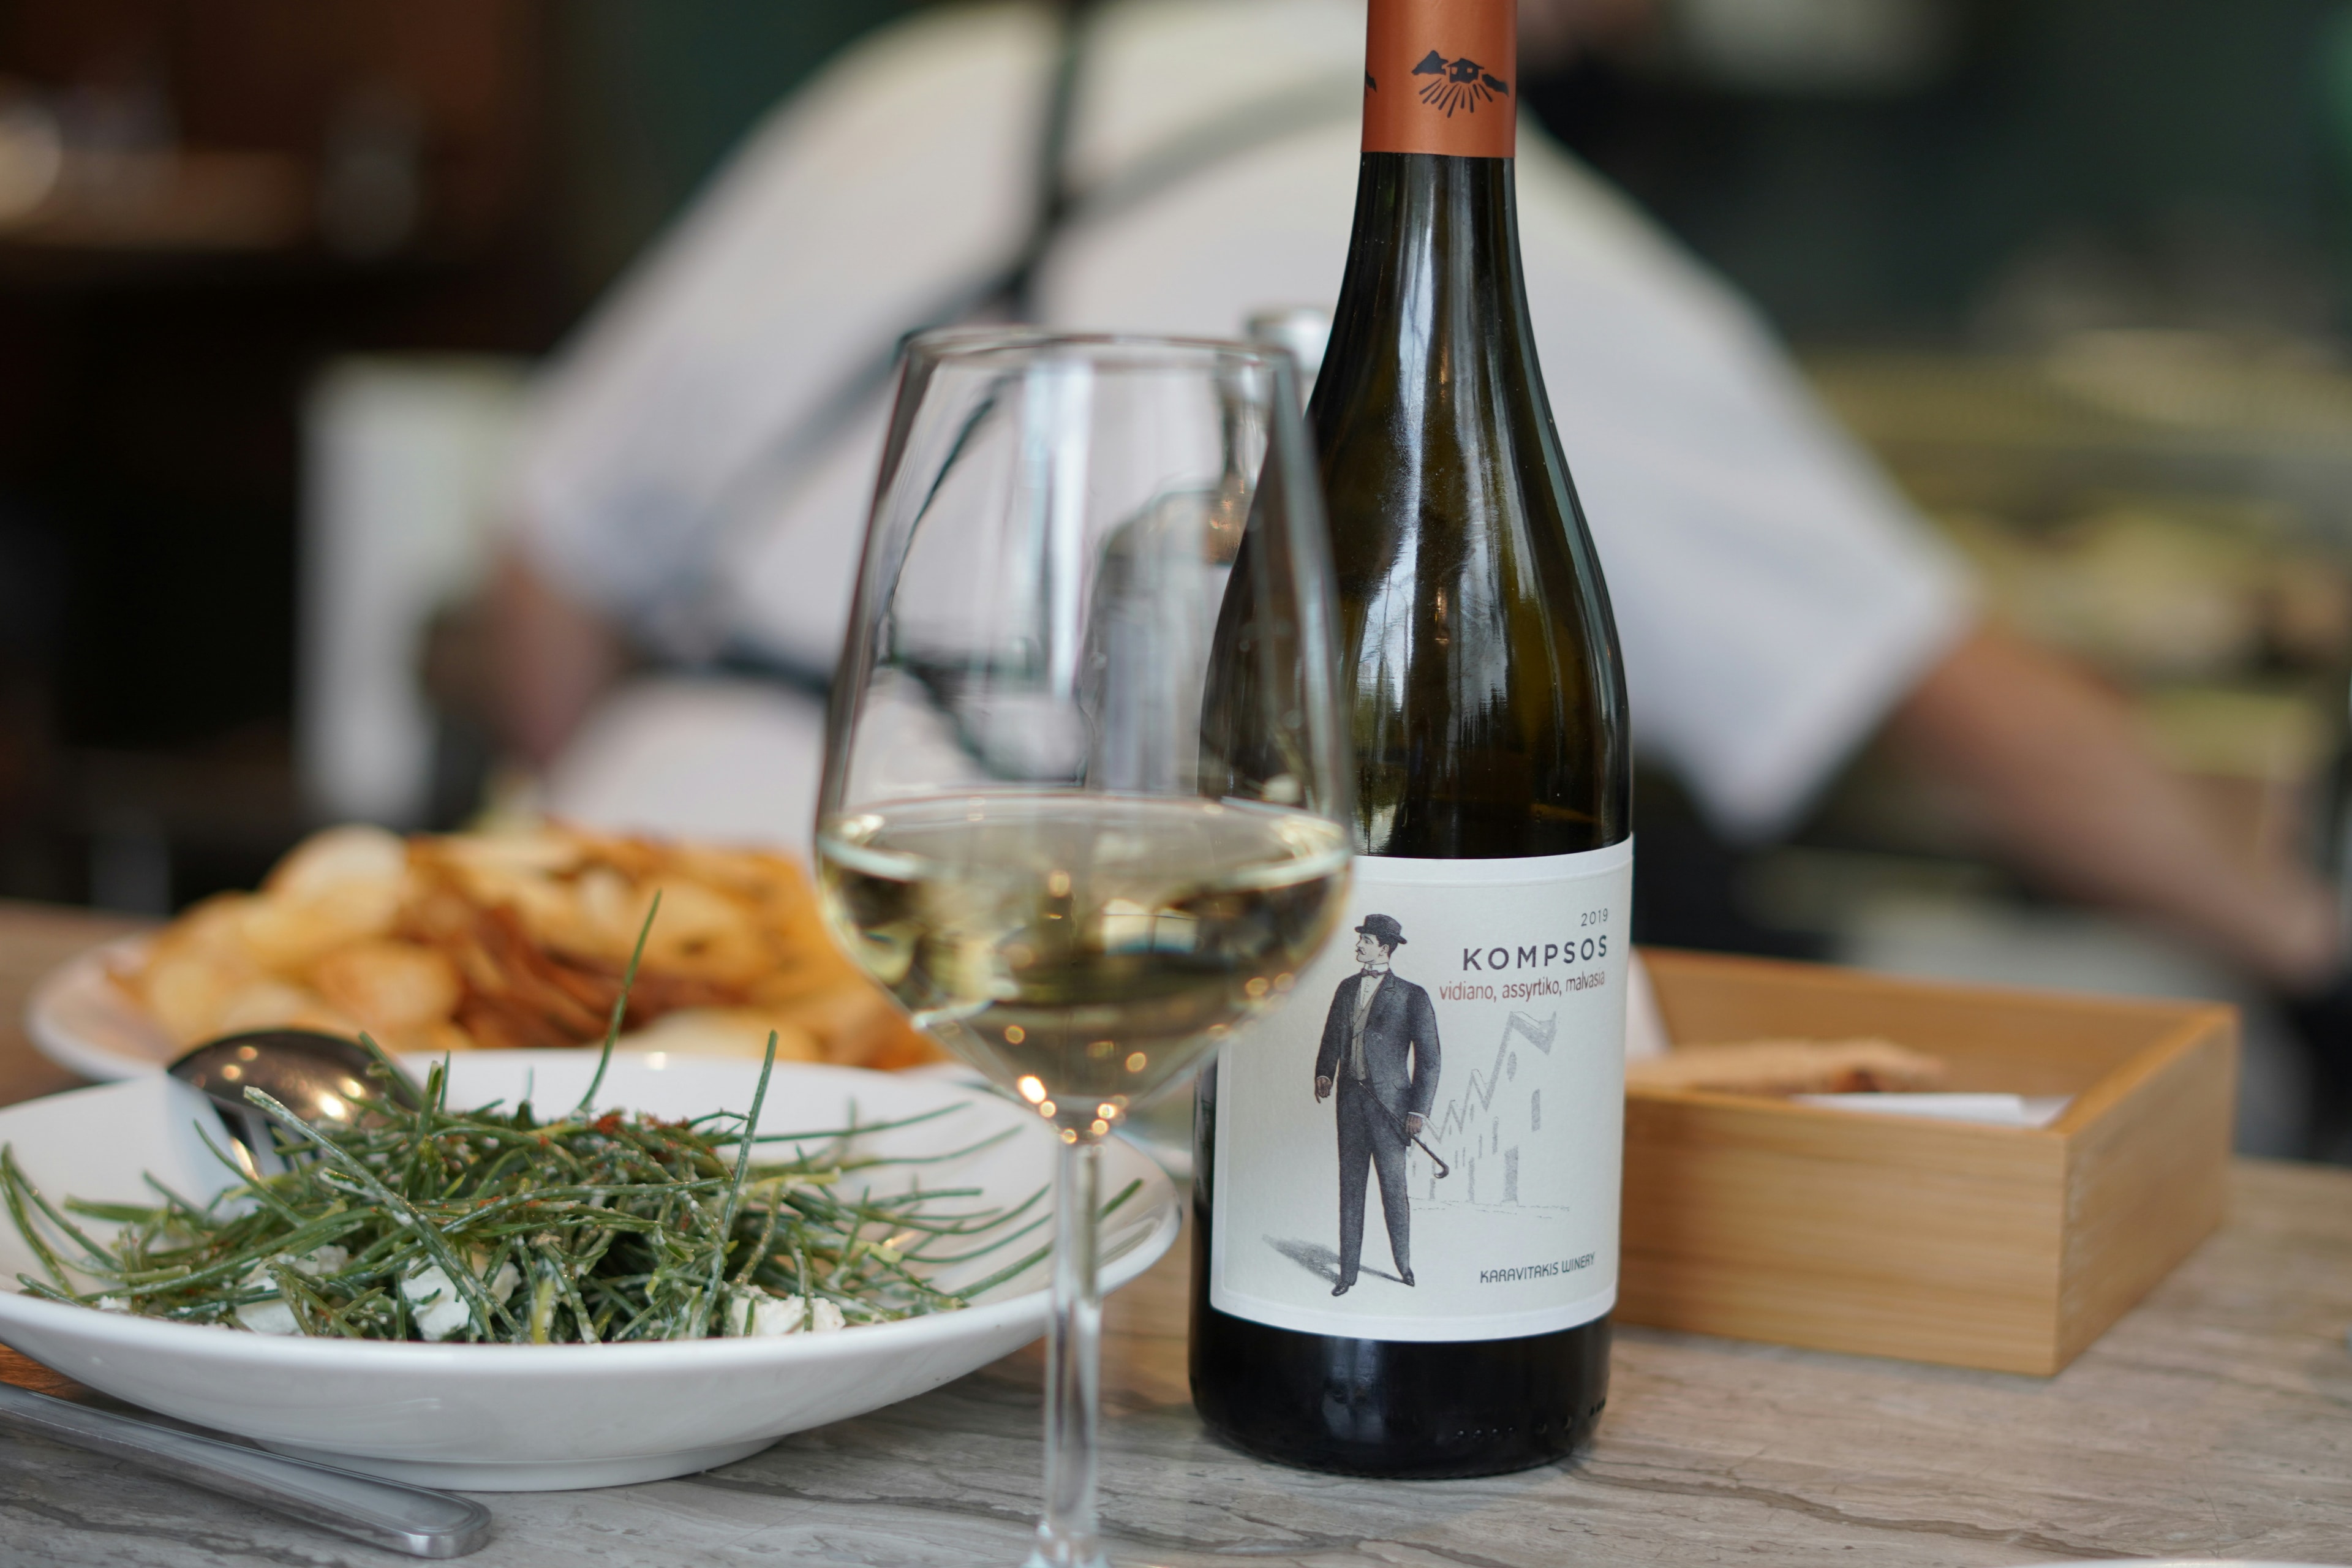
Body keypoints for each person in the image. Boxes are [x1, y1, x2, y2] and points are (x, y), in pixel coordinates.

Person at [489, 0, 2347, 1132]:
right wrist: (2297, 933)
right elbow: (1957, 698)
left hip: (584, 931)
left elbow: (544, 569)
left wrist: (570, 890)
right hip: (991, 1033)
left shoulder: (927, 82)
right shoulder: (1550, 261)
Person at [1313, 915, 1440, 1295]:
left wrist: (1418, 1111)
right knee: (1350, 1189)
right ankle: (1347, 1274)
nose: (1358, 947)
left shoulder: (1412, 995)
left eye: (1365, 941)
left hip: (1392, 1110)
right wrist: (1325, 1073)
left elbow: (1430, 1059)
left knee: (1393, 1190)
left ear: (1384, 948)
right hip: (1350, 1103)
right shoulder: (1346, 988)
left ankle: (1403, 1266)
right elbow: (1331, 1036)